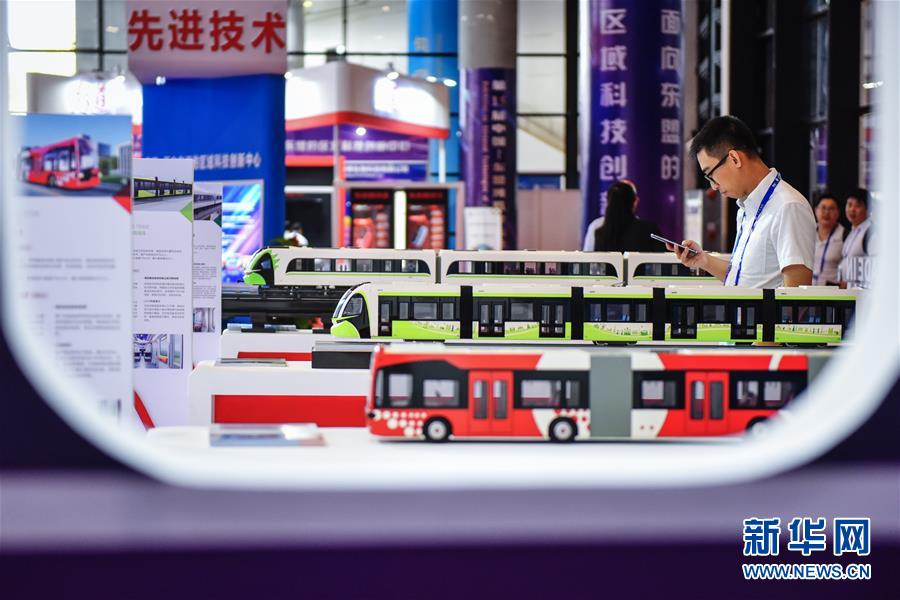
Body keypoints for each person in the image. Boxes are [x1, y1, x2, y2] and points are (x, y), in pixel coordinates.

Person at [669, 115, 816, 288]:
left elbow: (796, 295)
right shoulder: (746, 208)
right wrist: (704, 260)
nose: (713, 186)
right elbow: (744, 277)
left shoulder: (788, 207)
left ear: (734, 159)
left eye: (710, 174)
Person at [583, 180, 662, 252]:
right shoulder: (649, 230)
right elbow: (663, 258)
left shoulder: (597, 229)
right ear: (635, 201)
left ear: (608, 201)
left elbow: (587, 259)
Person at [838, 188, 874, 288]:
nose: (852, 210)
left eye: (857, 206)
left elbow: (876, 268)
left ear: (868, 208)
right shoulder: (852, 232)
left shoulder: (870, 232)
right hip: (849, 292)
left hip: (863, 294)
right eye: (849, 205)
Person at [811, 192, 844, 285]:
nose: (826, 212)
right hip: (807, 289)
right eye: (823, 208)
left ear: (838, 212)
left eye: (831, 209)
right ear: (815, 210)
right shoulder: (807, 232)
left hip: (833, 291)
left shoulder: (845, 236)